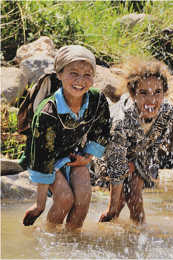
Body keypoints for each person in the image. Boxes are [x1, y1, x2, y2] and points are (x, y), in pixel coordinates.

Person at [22, 45, 110, 230]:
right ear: (59, 74)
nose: (80, 80)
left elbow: (101, 129)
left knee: (84, 197)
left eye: (87, 74)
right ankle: (51, 239)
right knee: (64, 199)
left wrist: (87, 157)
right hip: (46, 157)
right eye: (74, 73)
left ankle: (71, 243)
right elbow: (42, 156)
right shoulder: (48, 112)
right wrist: (39, 204)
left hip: (73, 153)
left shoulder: (97, 99)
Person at [98, 58, 173, 224]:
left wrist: (142, 167)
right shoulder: (121, 121)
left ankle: (139, 237)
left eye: (158, 92)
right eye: (144, 93)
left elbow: (154, 143)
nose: (152, 100)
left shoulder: (167, 112)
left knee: (134, 197)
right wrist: (111, 207)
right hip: (108, 152)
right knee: (116, 206)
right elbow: (116, 164)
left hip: (138, 151)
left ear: (164, 93)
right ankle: (110, 230)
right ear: (133, 94)